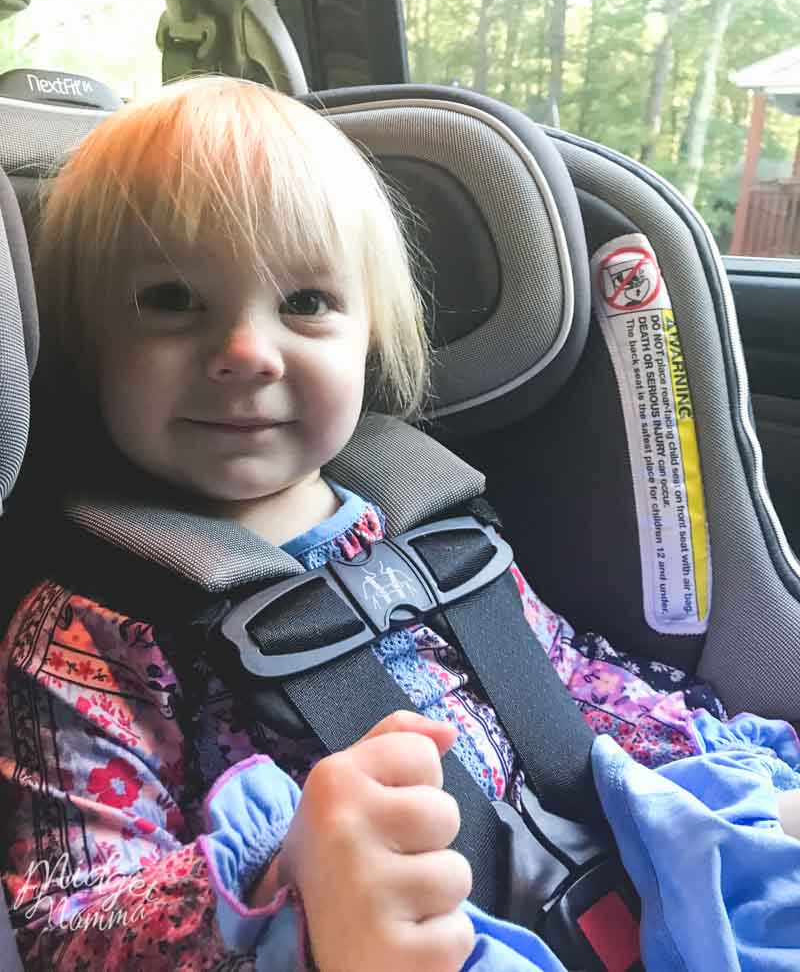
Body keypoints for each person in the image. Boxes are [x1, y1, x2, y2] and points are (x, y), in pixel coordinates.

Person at [0, 76, 798, 972]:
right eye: (170, 300)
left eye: (304, 302)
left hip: (602, 887)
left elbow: (569, 679)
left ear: (369, 335)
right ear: (85, 339)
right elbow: (68, 925)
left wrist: (747, 772)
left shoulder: (424, 520)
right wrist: (285, 883)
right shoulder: (88, 624)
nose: (246, 353)